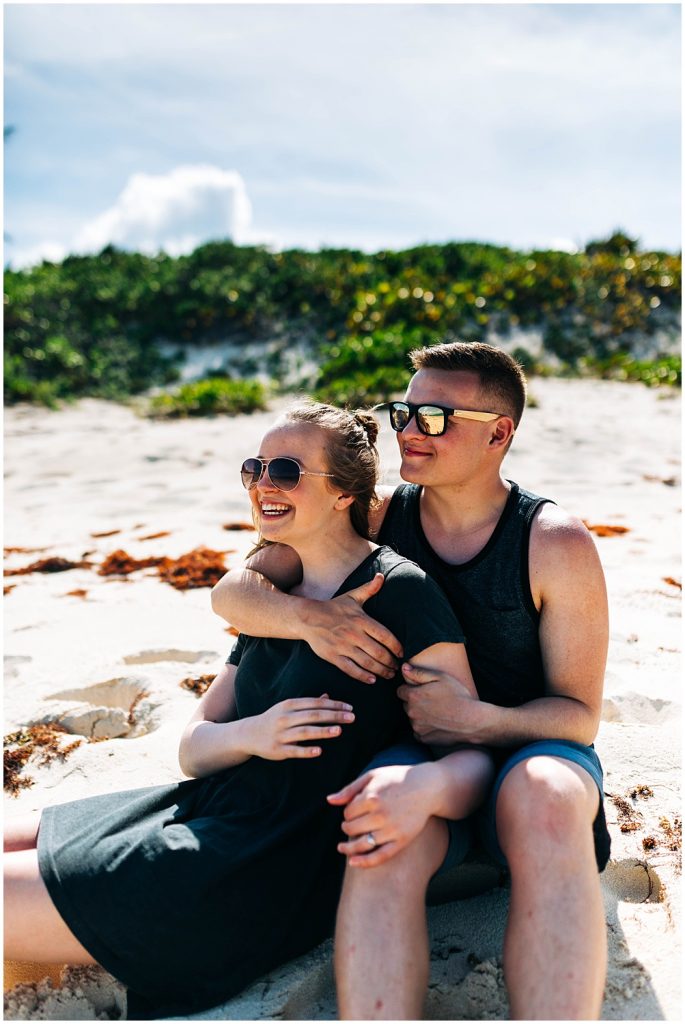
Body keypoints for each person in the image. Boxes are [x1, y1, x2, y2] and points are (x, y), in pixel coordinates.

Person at [3, 400, 494, 1020]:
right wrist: (256, 734)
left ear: (346, 494)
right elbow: (194, 746)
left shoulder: (400, 592)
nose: (264, 484)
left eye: (286, 471)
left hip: (260, 860)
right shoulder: (271, 594)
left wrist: (422, 788)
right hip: (202, 807)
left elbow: (471, 751)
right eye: (253, 468)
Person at [211, 342, 612, 1021]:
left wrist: (480, 721)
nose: (406, 431)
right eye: (403, 411)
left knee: (541, 793)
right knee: (378, 814)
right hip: (419, 756)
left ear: (498, 432)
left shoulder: (553, 542)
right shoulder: (376, 516)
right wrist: (311, 621)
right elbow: (232, 594)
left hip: (532, 756)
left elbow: (577, 716)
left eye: (433, 417)